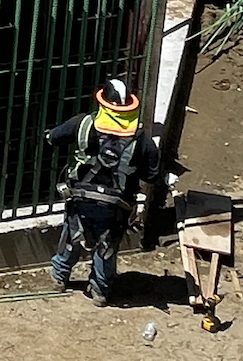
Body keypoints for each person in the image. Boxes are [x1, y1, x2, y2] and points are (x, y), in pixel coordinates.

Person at [46, 74, 161, 305]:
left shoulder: (83, 123)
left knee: (72, 235)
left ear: (102, 103)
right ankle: (100, 290)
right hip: (116, 207)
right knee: (106, 246)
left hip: (80, 199)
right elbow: (153, 175)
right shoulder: (143, 140)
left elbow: (53, 138)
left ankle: (59, 277)